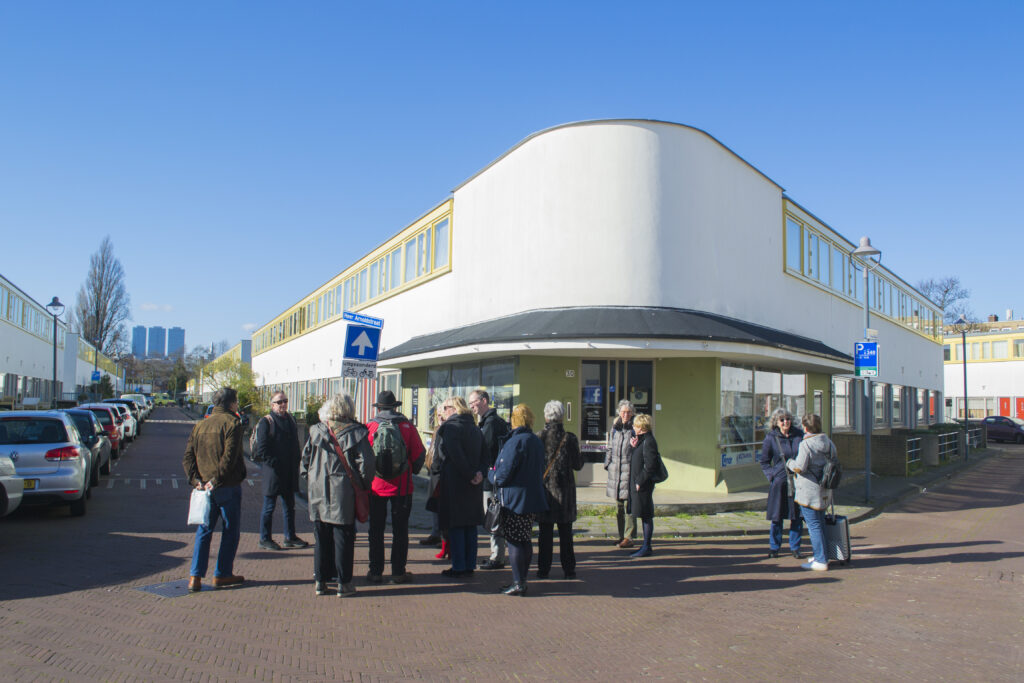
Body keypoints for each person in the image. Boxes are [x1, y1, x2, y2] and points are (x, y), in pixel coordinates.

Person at [301, 393, 375, 597]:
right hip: (343, 491)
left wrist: (310, 478)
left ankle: (320, 581)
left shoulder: (316, 430)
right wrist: (362, 484)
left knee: (321, 537)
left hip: (318, 489)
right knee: (343, 536)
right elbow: (367, 464)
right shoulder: (357, 432)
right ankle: (344, 582)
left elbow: (305, 460)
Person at [182, 386, 247, 592]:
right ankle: (222, 574)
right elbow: (229, 458)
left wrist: (196, 480)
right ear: (231, 403)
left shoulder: (200, 425)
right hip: (226, 486)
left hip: (203, 488)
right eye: (235, 401)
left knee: (204, 530)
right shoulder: (233, 424)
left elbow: (188, 457)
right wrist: (216, 479)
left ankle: (195, 576)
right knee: (230, 530)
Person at [365, 390, 425, 585]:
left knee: (376, 529)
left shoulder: (371, 426)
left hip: (376, 487)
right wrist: (412, 470)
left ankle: (375, 571)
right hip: (402, 487)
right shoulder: (407, 426)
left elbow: (364, 457)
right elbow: (419, 455)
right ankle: (398, 572)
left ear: (379, 407)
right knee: (400, 530)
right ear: (396, 407)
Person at [489, 403, 547, 596]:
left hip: (515, 499)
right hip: (533, 496)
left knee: (514, 540)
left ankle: (518, 581)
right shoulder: (535, 440)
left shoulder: (515, 442)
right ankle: (522, 579)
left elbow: (503, 475)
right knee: (525, 539)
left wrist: (491, 476)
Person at [432, 396, 486, 578]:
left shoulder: (450, 428)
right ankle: (470, 563)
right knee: (470, 526)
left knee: (455, 526)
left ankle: (459, 565)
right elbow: (485, 455)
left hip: (455, 483)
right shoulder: (475, 428)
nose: (443, 411)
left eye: (446, 407)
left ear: (453, 409)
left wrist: (470, 474)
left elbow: (453, 455)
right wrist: (479, 473)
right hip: (474, 485)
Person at [535, 400, 584, 579]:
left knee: (545, 535)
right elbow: (577, 465)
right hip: (565, 493)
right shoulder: (570, 438)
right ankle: (569, 569)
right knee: (566, 535)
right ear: (562, 416)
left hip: (546, 493)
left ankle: (543, 569)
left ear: (546, 416)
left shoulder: (539, 436)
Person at [255, 391, 308, 551]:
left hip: (289, 473)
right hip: (274, 473)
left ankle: (289, 536)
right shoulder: (267, 422)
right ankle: (265, 538)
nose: (283, 404)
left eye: (285, 401)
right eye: (279, 402)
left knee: (289, 506)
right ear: (272, 405)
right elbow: (262, 450)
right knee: (269, 506)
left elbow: (295, 443)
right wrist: (275, 464)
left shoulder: (290, 419)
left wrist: (297, 461)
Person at [787, 413, 835, 572]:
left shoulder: (806, 444)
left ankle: (820, 560)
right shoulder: (828, 442)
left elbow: (800, 467)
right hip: (824, 489)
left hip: (809, 491)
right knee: (820, 524)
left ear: (805, 427)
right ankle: (822, 555)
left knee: (814, 526)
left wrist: (789, 463)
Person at [471, 388, 511, 571]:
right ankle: (498, 554)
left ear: (484, 401)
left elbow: (484, 449)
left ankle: (497, 557)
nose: (472, 406)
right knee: (495, 516)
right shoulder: (491, 422)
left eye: (474, 402)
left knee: (493, 516)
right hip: (494, 476)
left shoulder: (491, 424)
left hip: (491, 478)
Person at [757, 408, 804, 559]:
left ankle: (795, 547)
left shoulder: (799, 435)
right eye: (782, 420)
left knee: (796, 515)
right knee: (777, 516)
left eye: (787, 419)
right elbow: (764, 461)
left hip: (797, 481)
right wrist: (772, 476)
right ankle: (774, 547)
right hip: (779, 482)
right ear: (776, 422)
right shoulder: (771, 438)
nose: (785, 422)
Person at [605, 399, 637, 548]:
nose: (626, 414)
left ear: (632, 414)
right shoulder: (615, 428)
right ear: (619, 412)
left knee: (628, 505)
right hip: (616, 472)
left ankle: (628, 537)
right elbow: (610, 447)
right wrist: (608, 464)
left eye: (628, 412)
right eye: (623, 412)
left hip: (629, 472)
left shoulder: (635, 428)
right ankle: (621, 535)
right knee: (618, 506)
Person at [628, 414, 660, 558]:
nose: (633, 427)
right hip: (638, 483)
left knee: (646, 514)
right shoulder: (642, 441)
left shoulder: (649, 441)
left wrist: (640, 481)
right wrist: (634, 447)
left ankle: (647, 546)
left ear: (641, 428)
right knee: (643, 514)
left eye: (635, 425)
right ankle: (645, 545)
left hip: (643, 485)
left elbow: (650, 465)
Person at [423, 404, 448, 558]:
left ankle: (443, 536)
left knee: (439, 505)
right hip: (433, 470)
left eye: (442, 413)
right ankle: (435, 533)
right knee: (433, 503)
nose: (439, 416)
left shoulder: (446, 430)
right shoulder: (437, 429)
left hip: (441, 472)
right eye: (438, 413)